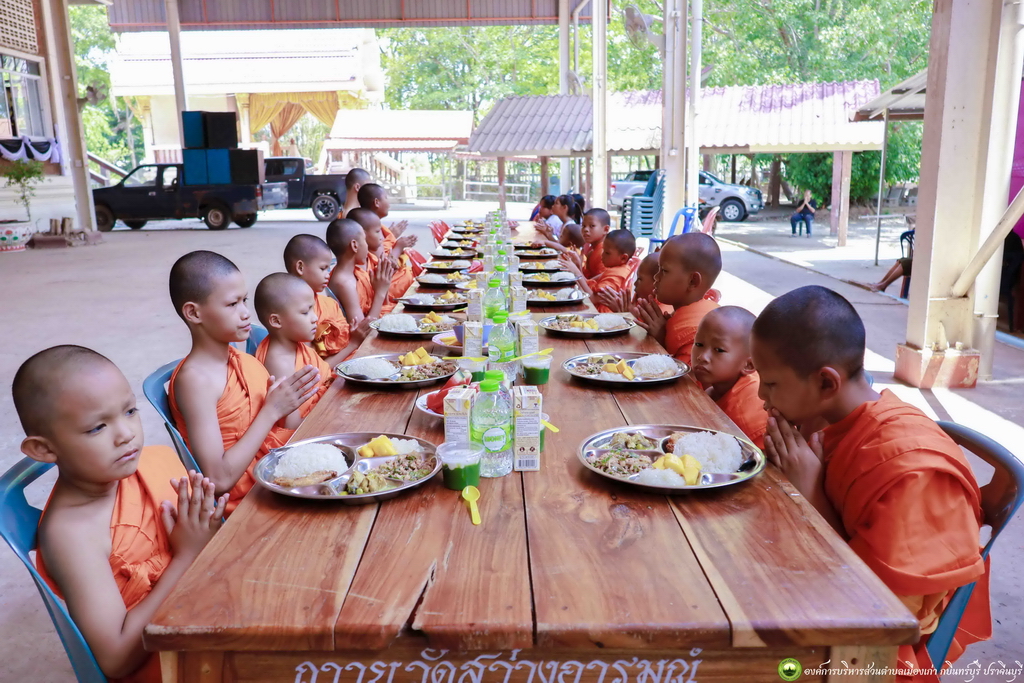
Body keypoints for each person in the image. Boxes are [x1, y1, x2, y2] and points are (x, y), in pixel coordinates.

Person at [751, 285, 989, 681]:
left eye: (771, 383)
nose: (761, 395)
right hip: (821, 586)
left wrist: (811, 496)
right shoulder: (828, 423)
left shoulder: (914, 474)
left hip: (871, 653)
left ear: (826, 384)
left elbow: (883, 614)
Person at [15, 345, 228, 683]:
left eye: (130, 411)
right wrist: (187, 556)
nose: (126, 434)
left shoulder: (154, 461)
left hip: (213, 613)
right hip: (175, 663)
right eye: (97, 428)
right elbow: (115, 659)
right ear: (44, 448)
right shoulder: (73, 534)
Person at [167, 251, 320, 515]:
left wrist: (289, 404)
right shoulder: (196, 380)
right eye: (232, 304)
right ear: (194, 313)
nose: (246, 313)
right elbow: (219, 479)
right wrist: (271, 411)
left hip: (279, 471)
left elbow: (288, 428)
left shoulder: (245, 362)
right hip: (248, 500)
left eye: (244, 300)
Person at [252, 273, 334, 446]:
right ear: (276, 321)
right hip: (306, 435)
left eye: (312, 309)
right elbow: (292, 426)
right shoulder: (279, 361)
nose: (315, 318)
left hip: (323, 409)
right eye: (305, 312)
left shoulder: (295, 344)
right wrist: (332, 414)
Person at [632, 233, 721, 362]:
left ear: (692, 281)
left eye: (664, 271)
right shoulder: (676, 316)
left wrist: (662, 340)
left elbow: (684, 374)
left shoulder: (699, 332)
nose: (656, 277)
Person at [282, 234, 368, 366]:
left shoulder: (329, 304)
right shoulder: (296, 315)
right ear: (300, 267)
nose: (328, 275)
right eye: (323, 269)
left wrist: (350, 335)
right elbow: (316, 369)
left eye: (328, 269)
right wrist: (353, 344)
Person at [691, 307, 767, 448]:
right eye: (699, 344)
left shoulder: (746, 411)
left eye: (719, 350)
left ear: (749, 365)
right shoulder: (718, 387)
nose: (702, 357)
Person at [348, 207, 415, 314]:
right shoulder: (347, 280)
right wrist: (397, 249)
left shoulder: (370, 258)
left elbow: (384, 298)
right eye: (377, 232)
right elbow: (367, 319)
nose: (381, 237)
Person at [326, 218, 393, 325]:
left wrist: (382, 286)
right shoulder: (344, 283)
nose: (367, 245)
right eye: (365, 240)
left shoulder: (356, 273)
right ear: (354, 245)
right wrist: (380, 293)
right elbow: (363, 329)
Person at [560, 229, 635, 313]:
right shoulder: (618, 269)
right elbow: (587, 283)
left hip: (602, 316)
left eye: (607, 253)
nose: (602, 255)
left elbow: (592, 298)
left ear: (623, 258)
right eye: (603, 250)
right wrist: (578, 266)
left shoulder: (617, 275)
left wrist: (576, 272)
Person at [596, 252, 675, 316]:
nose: (635, 283)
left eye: (640, 279)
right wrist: (620, 309)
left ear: (656, 282)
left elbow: (641, 330)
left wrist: (628, 315)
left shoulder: (662, 311)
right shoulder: (642, 300)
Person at [560, 208, 612, 279]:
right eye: (583, 226)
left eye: (592, 226)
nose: (585, 229)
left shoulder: (604, 253)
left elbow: (597, 283)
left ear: (606, 229)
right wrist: (578, 264)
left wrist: (576, 268)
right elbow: (586, 277)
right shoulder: (591, 250)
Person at [357, 182, 408, 248]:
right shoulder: (368, 226)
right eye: (386, 198)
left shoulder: (375, 225)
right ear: (377, 202)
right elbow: (380, 252)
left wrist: (388, 234)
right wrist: (397, 244)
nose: (388, 203)